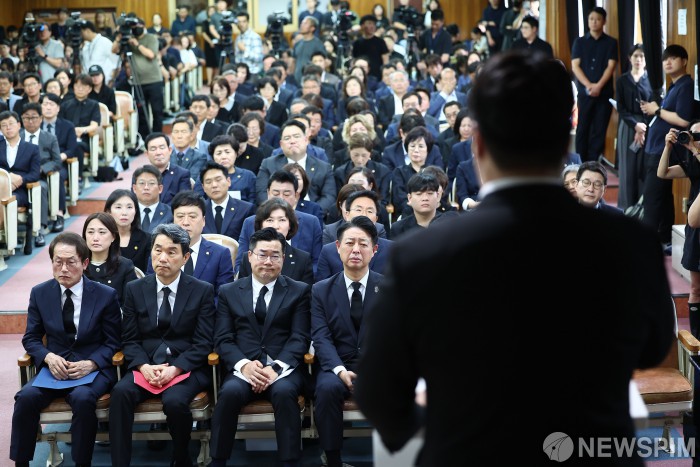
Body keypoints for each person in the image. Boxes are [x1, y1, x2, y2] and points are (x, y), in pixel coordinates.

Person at [354, 50, 676, 466]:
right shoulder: (631, 242)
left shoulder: (421, 254)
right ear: (568, 135)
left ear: (478, 143)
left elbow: (377, 391)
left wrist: (442, 433)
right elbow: (652, 349)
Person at [10, 232, 121, 467]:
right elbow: (31, 338)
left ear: (85, 263)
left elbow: (114, 342)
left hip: (91, 369)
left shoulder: (105, 295)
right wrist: (48, 357)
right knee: (25, 398)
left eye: (71, 262)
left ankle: (82, 462)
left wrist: (92, 363)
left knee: (83, 399)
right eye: (57, 262)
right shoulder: (40, 293)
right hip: (55, 369)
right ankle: (21, 462)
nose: (63, 269)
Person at [109, 223, 216, 467]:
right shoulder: (135, 289)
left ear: (185, 257)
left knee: (175, 402)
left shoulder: (202, 291)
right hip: (146, 366)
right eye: (157, 250)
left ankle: (181, 458)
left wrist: (175, 369)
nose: (163, 258)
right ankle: (120, 462)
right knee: (120, 394)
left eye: (171, 252)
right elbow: (130, 339)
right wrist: (143, 366)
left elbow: (203, 343)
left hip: (185, 367)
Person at [209, 227, 312, 467]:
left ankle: (289, 462)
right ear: (249, 256)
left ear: (283, 259)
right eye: (262, 254)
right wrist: (244, 366)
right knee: (229, 393)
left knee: (285, 393)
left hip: (282, 369)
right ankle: (218, 460)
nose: (268, 262)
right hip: (244, 368)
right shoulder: (229, 292)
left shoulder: (298, 291)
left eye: (275, 256)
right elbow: (223, 338)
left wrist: (275, 368)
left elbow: (299, 337)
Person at [311, 215, 383, 467]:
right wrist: (340, 370)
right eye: (350, 243)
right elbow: (321, 337)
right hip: (337, 365)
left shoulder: (389, 287)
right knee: (327, 388)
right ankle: (333, 459)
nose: (356, 250)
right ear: (338, 247)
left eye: (363, 244)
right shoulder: (321, 290)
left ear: (374, 250)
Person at [639, 44, 693, 252]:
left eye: (673, 58)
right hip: (657, 148)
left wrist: (657, 110)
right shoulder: (674, 85)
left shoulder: (686, 85)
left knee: (653, 199)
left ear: (684, 61)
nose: (667, 62)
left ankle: (647, 245)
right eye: (665, 59)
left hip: (665, 149)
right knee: (662, 198)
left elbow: (683, 120)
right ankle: (664, 239)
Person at [656, 122, 700, 338]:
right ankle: (696, 338)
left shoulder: (695, 154)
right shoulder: (692, 163)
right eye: (693, 134)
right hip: (696, 227)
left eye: (698, 136)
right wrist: (667, 147)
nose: (694, 139)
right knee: (696, 288)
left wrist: (694, 149)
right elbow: (662, 172)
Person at [145, 191, 234, 297]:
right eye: (180, 216)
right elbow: (150, 289)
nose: (186, 222)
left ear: (203, 221)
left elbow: (223, 297)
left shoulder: (220, 254)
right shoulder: (159, 252)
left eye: (192, 216)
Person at [256, 120, 337, 218]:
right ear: (281, 144)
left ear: (306, 140)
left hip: (313, 215)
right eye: (287, 138)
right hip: (276, 215)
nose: (292, 141)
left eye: (296, 136)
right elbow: (262, 193)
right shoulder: (268, 164)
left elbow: (329, 196)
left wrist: (312, 213)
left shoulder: (323, 167)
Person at [570, 6, 618, 163]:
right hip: (585, 93)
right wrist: (589, 85)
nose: (594, 22)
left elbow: (611, 66)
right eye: (591, 19)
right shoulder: (580, 42)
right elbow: (575, 66)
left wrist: (598, 86)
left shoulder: (611, 42)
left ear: (604, 21)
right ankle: (580, 162)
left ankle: (592, 163)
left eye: (597, 19)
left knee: (599, 129)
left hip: (604, 93)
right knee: (582, 128)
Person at [238, 198, 315, 286]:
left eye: (282, 220)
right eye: (270, 220)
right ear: (260, 225)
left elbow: (305, 293)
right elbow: (241, 290)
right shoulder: (248, 257)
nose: (276, 226)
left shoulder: (302, 259)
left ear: (290, 225)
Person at [111, 16, 165, 137]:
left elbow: (151, 55)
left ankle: (158, 136)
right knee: (141, 112)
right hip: (137, 82)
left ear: (143, 26)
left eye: (137, 26)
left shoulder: (151, 38)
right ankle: (145, 137)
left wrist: (136, 44)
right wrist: (118, 38)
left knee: (157, 111)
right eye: (133, 27)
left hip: (153, 80)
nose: (135, 29)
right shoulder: (127, 39)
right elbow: (114, 50)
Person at [615, 43, 652, 211]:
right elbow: (621, 108)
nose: (639, 59)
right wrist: (635, 125)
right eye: (636, 56)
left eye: (642, 56)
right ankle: (626, 206)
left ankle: (642, 207)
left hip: (648, 127)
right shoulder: (622, 80)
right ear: (630, 58)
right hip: (628, 126)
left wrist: (643, 128)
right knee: (628, 168)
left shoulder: (651, 81)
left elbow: (654, 106)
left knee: (643, 167)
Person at [20, 102, 62, 245]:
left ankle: (40, 229)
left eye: (34, 117)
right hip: (19, 177)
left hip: (40, 177)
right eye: (26, 118)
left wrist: (42, 168)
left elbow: (57, 161)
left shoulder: (50, 138)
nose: (30, 121)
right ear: (22, 119)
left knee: (41, 188)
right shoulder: (16, 137)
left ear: (41, 119)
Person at [0, 110, 41, 254]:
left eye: (11, 124)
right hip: (1, 187)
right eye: (4, 125)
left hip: (20, 191)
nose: (8, 128)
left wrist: (20, 180)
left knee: (7, 200)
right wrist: (7, 179)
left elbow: (35, 174)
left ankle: (5, 243)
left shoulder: (32, 148)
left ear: (19, 125)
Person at [82, 212, 138, 305]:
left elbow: (131, 304)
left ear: (113, 236)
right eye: (90, 232)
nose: (95, 238)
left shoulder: (125, 266)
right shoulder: (77, 264)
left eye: (102, 232)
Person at [200, 160, 257, 243]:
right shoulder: (199, 210)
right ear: (203, 187)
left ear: (228, 181)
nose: (214, 185)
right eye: (208, 182)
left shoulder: (246, 209)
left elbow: (251, 241)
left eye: (218, 180)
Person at [105, 189, 151, 273]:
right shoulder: (102, 238)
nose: (124, 213)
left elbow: (149, 273)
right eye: (118, 207)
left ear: (136, 211)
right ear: (108, 212)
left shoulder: (147, 239)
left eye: (129, 207)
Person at [144, 132, 192, 205]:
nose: (158, 153)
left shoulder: (182, 174)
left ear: (170, 150)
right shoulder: (140, 175)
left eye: (162, 148)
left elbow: (184, 203)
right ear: (147, 154)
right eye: (153, 149)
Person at [132, 164, 174, 233]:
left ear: (160, 189)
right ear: (134, 188)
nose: (146, 187)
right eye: (142, 183)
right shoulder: (129, 212)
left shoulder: (170, 213)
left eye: (151, 183)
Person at [79, 21, 118, 87]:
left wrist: (112, 80)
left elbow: (117, 63)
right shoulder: (85, 45)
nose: (81, 35)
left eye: (82, 32)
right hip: (89, 85)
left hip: (105, 84)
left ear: (87, 31)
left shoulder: (104, 42)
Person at [169, 117, 208, 182]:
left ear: (191, 136)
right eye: (176, 132)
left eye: (183, 132)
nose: (179, 136)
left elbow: (191, 180)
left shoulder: (200, 157)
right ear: (171, 135)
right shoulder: (165, 156)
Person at [352, 16, 389, 82]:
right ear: (362, 26)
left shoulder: (380, 42)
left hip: (377, 76)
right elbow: (354, 59)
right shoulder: (357, 43)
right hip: (361, 75)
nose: (372, 26)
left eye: (374, 24)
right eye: (369, 23)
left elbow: (385, 60)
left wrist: (385, 74)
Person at [233, 12, 264, 76]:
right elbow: (237, 57)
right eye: (239, 22)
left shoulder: (254, 37)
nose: (241, 24)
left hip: (253, 72)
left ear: (248, 22)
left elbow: (259, 58)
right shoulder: (238, 38)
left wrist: (245, 50)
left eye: (244, 21)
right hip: (241, 74)